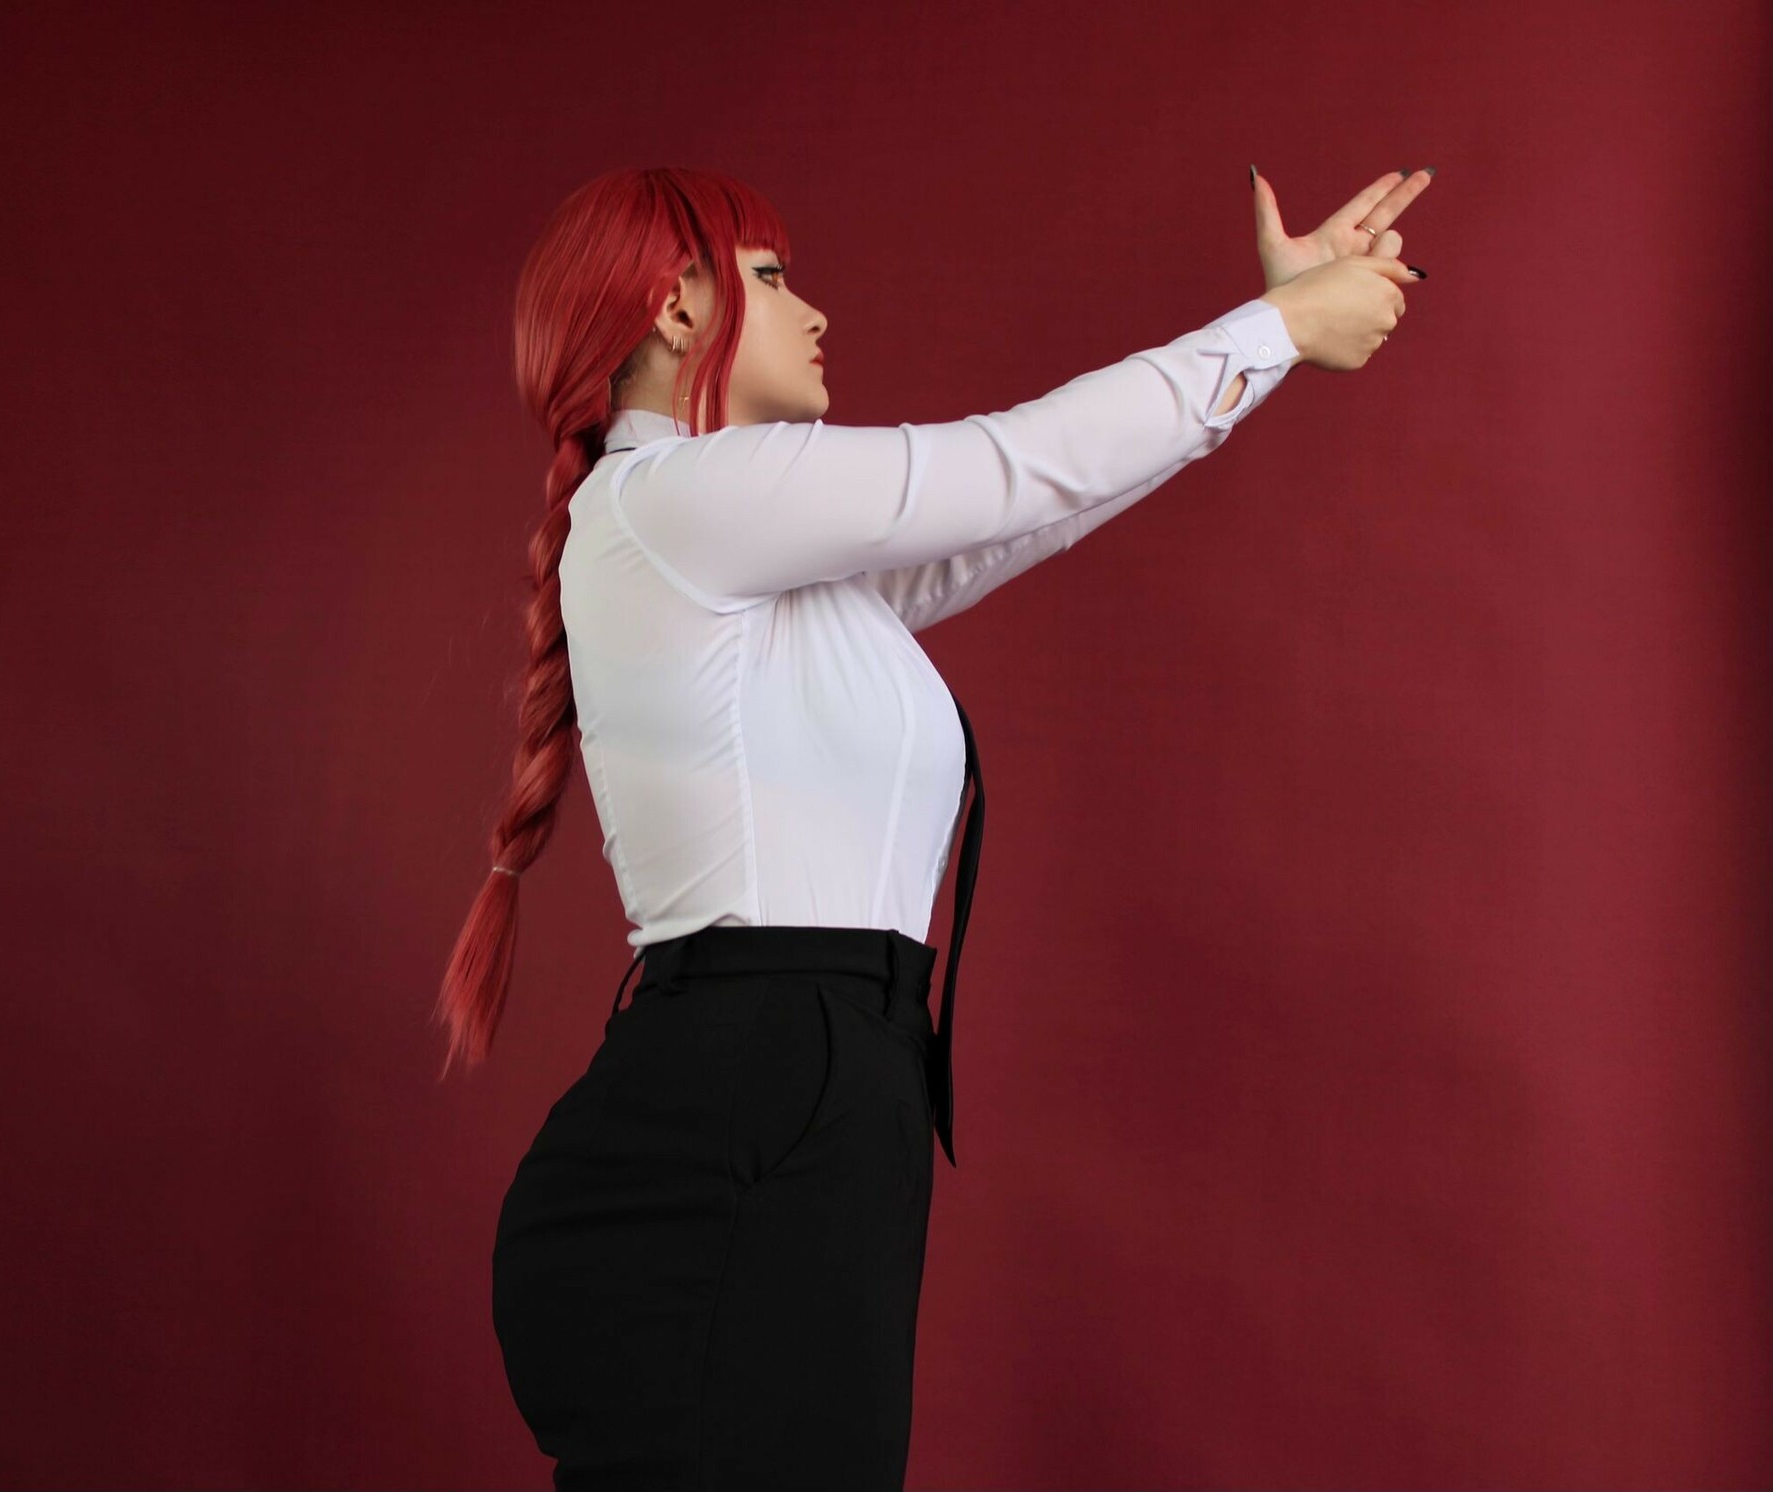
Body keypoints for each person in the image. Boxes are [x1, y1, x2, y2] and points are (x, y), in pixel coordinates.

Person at [436, 164, 1430, 1490]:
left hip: (820, 1092)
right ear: (676, 309)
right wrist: (1276, 329)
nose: (814, 312)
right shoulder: (675, 498)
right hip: (749, 1105)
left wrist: (1276, 343)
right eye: (772, 278)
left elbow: (1034, 505)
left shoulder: (741, 553)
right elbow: (1013, 467)